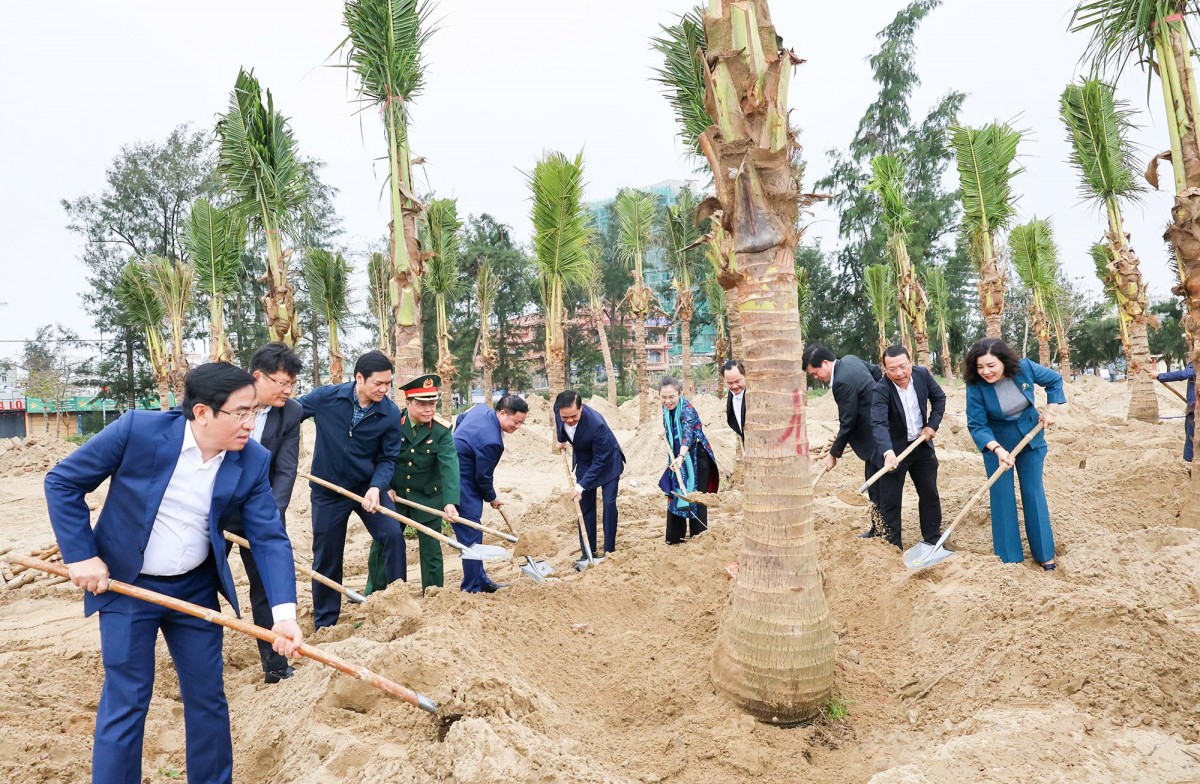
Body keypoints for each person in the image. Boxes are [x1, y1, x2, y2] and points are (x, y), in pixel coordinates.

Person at [45, 363, 303, 784]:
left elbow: (270, 538)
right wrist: (81, 555)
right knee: (127, 698)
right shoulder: (137, 432)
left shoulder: (252, 460)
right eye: (240, 413)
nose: (250, 424)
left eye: (253, 412)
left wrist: (285, 614)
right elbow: (62, 482)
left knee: (208, 698)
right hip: (127, 585)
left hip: (195, 590)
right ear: (203, 413)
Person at [296, 350, 405, 629]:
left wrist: (376, 487)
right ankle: (326, 622)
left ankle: (398, 604)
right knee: (327, 555)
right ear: (359, 378)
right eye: (378, 383)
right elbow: (290, 414)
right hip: (328, 489)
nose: (384, 389)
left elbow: (387, 458)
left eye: (387, 383)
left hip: (366, 487)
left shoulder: (389, 413)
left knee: (393, 534)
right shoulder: (327, 398)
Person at [225, 342, 303, 683]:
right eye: (281, 383)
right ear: (258, 377)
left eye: (292, 384)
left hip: (263, 509)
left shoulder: (291, 412)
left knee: (267, 587)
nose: (287, 390)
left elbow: (285, 469)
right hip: (216, 511)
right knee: (201, 582)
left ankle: (275, 666)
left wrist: (269, 514)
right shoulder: (224, 401)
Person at [964, 338, 1065, 570]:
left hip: (1030, 438)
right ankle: (1010, 559)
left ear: (1004, 361)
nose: (985, 372)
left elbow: (1055, 381)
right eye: (980, 367)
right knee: (1002, 496)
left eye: (991, 365)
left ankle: (1045, 554)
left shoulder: (1025, 367)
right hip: (996, 444)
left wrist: (1051, 410)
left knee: (1033, 492)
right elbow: (977, 425)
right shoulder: (975, 386)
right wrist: (998, 450)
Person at [364, 374, 460, 595]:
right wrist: (383, 486)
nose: (428, 409)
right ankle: (376, 592)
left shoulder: (441, 430)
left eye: (432, 403)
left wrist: (450, 502)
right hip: (393, 496)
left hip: (427, 496)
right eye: (422, 404)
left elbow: (450, 466)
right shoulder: (392, 424)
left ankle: (434, 593)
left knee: (431, 547)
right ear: (407, 403)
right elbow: (376, 457)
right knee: (383, 543)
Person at [802, 345, 884, 537]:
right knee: (875, 485)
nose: (816, 377)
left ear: (825, 363)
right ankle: (878, 528)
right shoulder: (850, 359)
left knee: (879, 487)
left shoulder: (841, 382)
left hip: (874, 437)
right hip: (879, 430)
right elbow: (877, 373)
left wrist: (833, 454)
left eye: (815, 373)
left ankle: (884, 532)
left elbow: (847, 422)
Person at [870, 345, 946, 550]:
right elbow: (879, 423)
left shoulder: (922, 375)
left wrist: (932, 425)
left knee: (929, 493)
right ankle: (893, 546)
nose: (899, 373)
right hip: (894, 451)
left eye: (903, 366)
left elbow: (939, 399)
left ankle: (932, 539)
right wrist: (888, 453)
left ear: (911, 362)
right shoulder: (881, 389)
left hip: (921, 446)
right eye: (892, 369)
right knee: (890, 500)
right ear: (885, 369)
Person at [454, 395, 528, 592]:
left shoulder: (480, 409)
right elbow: (483, 477)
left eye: (521, 423)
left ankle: (480, 579)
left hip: (460, 470)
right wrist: (492, 498)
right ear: (502, 413)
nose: (518, 426)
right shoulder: (493, 442)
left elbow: (460, 419)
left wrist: (457, 443)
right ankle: (472, 586)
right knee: (471, 533)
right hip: (461, 481)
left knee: (474, 532)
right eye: (516, 421)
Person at [554, 390, 626, 563]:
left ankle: (609, 551)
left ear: (581, 407)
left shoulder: (596, 424)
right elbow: (560, 425)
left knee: (608, 504)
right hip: (585, 461)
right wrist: (561, 439)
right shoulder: (560, 412)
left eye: (573, 416)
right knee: (585, 506)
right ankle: (588, 551)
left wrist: (580, 486)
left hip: (607, 462)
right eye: (565, 417)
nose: (569, 420)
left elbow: (601, 460)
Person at [658, 376, 720, 544]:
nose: (668, 401)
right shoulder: (666, 410)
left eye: (672, 397)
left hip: (696, 457)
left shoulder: (687, 409)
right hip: (677, 456)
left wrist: (681, 456)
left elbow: (688, 435)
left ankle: (699, 537)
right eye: (664, 397)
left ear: (680, 394)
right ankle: (674, 537)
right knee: (675, 491)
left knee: (695, 495)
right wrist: (665, 432)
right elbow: (671, 426)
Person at [1150, 362, 1194, 463]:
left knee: (1191, 438)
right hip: (1194, 406)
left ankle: (1188, 464)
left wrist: (1160, 375)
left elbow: (1184, 374)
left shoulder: (1197, 361)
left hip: (1195, 408)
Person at [722, 359, 747, 442]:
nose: (735, 386)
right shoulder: (730, 394)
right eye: (730, 383)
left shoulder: (753, 395)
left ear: (744, 375)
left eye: (737, 381)